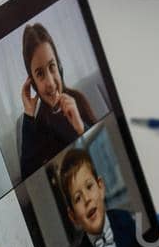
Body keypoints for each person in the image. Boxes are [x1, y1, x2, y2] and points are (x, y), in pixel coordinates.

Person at [18, 22, 99, 178]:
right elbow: (28, 180)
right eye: (40, 74)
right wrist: (28, 114)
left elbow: (105, 149)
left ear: (59, 67)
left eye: (52, 66)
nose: (50, 82)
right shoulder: (35, 126)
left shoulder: (78, 101)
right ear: (33, 83)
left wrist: (81, 128)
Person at [56, 147, 136, 247]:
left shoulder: (126, 220)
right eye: (78, 198)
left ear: (101, 187)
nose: (87, 199)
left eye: (89, 187)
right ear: (73, 216)